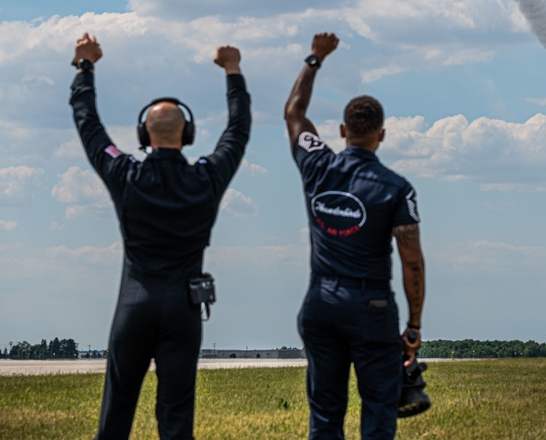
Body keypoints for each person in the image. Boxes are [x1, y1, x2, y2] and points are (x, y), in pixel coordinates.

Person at [69, 32, 251, 440]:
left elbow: (89, 125)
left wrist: (85, 67)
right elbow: (238, 131)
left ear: (142, 134)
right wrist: (233, 71)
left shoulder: (125, 174)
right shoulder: (206, 177)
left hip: (134, 305)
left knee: (116, 412)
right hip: (183, 308)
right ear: (186, 135)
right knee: (176, 416)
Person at [284, 32, 426, 440]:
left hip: (322, 301)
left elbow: (294, 112)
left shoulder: (318, 165)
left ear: (343, 130)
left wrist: (315, 59)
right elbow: (411, 260)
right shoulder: (396, 187)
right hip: (372, 306)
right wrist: (414, 325)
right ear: (381, 134)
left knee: (325, 414)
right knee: (379, 409)